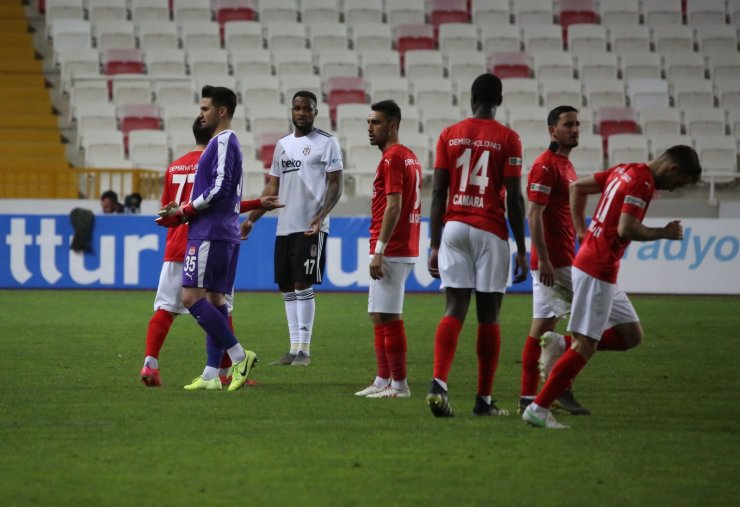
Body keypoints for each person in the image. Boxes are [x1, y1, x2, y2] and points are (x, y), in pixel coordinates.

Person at [522, 145, 702, 428]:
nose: (672, 190)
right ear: (672, 169)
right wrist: (663, 233)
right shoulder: (642, 183)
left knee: (631, 335)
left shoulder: (624, 169)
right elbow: (626, 228)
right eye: (678, 184)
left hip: (597, 265)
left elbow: (578, 188)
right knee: (585, 347)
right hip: (597, 269)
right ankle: (538, 408)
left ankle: (559, 344)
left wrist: (583, 230)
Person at [143, 118, 282, 387]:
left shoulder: (174, 166)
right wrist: (256, 204)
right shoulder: (211, 160)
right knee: (219, 304)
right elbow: (220, 201)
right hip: (205, 238)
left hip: (175, 245)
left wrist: (173, 219)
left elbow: (166, 213)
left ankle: (151, 364)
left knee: (165, 308)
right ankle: (231, 366)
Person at [426, 73, 528, 417]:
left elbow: (438, 192)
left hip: (453, 227)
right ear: (498, 101)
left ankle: (438, 383)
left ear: (472, 99)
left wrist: (434, 244)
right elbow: (514, 199)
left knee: (454, 307)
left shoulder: (448, 134)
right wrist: (522, 249)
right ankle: (483, 401)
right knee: (489, 315)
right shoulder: (509, 139)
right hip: (490, 230)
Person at [157, 85, 262, 391]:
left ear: (222, 111)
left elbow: (220, 188)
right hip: (221, 232)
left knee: (190, 298)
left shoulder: (224, 140)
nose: (200, 114)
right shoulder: (223, 142)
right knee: (216, 301)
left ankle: (240, 355)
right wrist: (183, 208)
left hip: (210, 232)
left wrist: (187, 209)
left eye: (204, 109)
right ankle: (210, 374)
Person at [242, 91, 344, 367]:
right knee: (286, 286)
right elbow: (272, 188)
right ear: (292, 111)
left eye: (307, 109)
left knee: (303, 283)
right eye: (297, 108)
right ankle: (292, 349)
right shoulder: (282, 145)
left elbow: (336, 183)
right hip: (284, 226)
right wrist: (252, 218)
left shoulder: (327, 143)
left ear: (315, 112)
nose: (301, 113)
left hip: (311, 225)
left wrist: (321, 216)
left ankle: (304, 351)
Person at [518, 105, 590, 416]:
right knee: (588, 325)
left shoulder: (566, 166)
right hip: (554, 262)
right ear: (552, 131)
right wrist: (544, 259)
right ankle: (559, 388)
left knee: (544, 328)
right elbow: (533, 214)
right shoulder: (545, 166)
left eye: (577, 124)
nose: (575, 129)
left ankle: (529, 396)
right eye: (568, 125)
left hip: (564, 259)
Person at [354, 100, 422, 399]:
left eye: (376, 123)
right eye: (369, 123)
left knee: (389, 316)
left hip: (392, 247)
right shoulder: (407, 155)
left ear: (392, 126)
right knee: (378, 315)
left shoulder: (393, 158)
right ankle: (383, 380)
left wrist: (380, 249)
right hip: (396, 245)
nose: (370, 128)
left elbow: (394, 206)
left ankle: (400, 385)